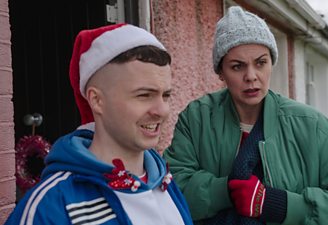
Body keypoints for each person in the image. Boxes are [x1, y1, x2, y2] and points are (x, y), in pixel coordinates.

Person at [164, 6, 328, 225]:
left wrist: (280, 205)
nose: (251, 76)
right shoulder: (197, 119)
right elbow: (170, 189)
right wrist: (226, 190)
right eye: (237, 66)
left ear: (271, 63)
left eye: (260, 63)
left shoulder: (312, 127)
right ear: (220, 72)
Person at [6, 23, 193, 225]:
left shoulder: (165, 183)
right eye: (144, 95)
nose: (162, 110)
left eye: (165, 95)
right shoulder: (52, 204)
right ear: (96, 100)